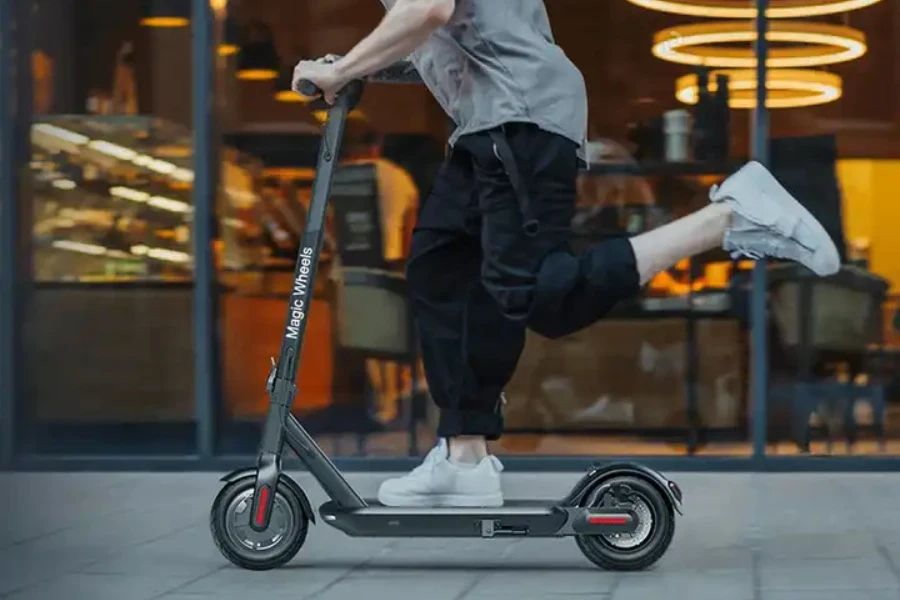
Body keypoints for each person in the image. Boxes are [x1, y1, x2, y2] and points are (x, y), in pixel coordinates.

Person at [292, 0, 840, 508]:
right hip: (489, 120)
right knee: (442, 270)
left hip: (521, 115)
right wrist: (357, 65)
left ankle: (726, 217)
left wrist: (342, 73)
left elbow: (428, 8)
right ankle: (464, 457)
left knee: (532, 293)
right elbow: (439, 36)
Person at [336, 116, 425, 423]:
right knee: (394, 335)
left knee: (369, 341)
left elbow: (327, 227)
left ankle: (383, 406)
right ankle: (399, 398)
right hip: (395, 262)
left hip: (351, 268)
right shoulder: (398, 177)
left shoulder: (337, 178)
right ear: (377, 145)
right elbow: (411, 224)